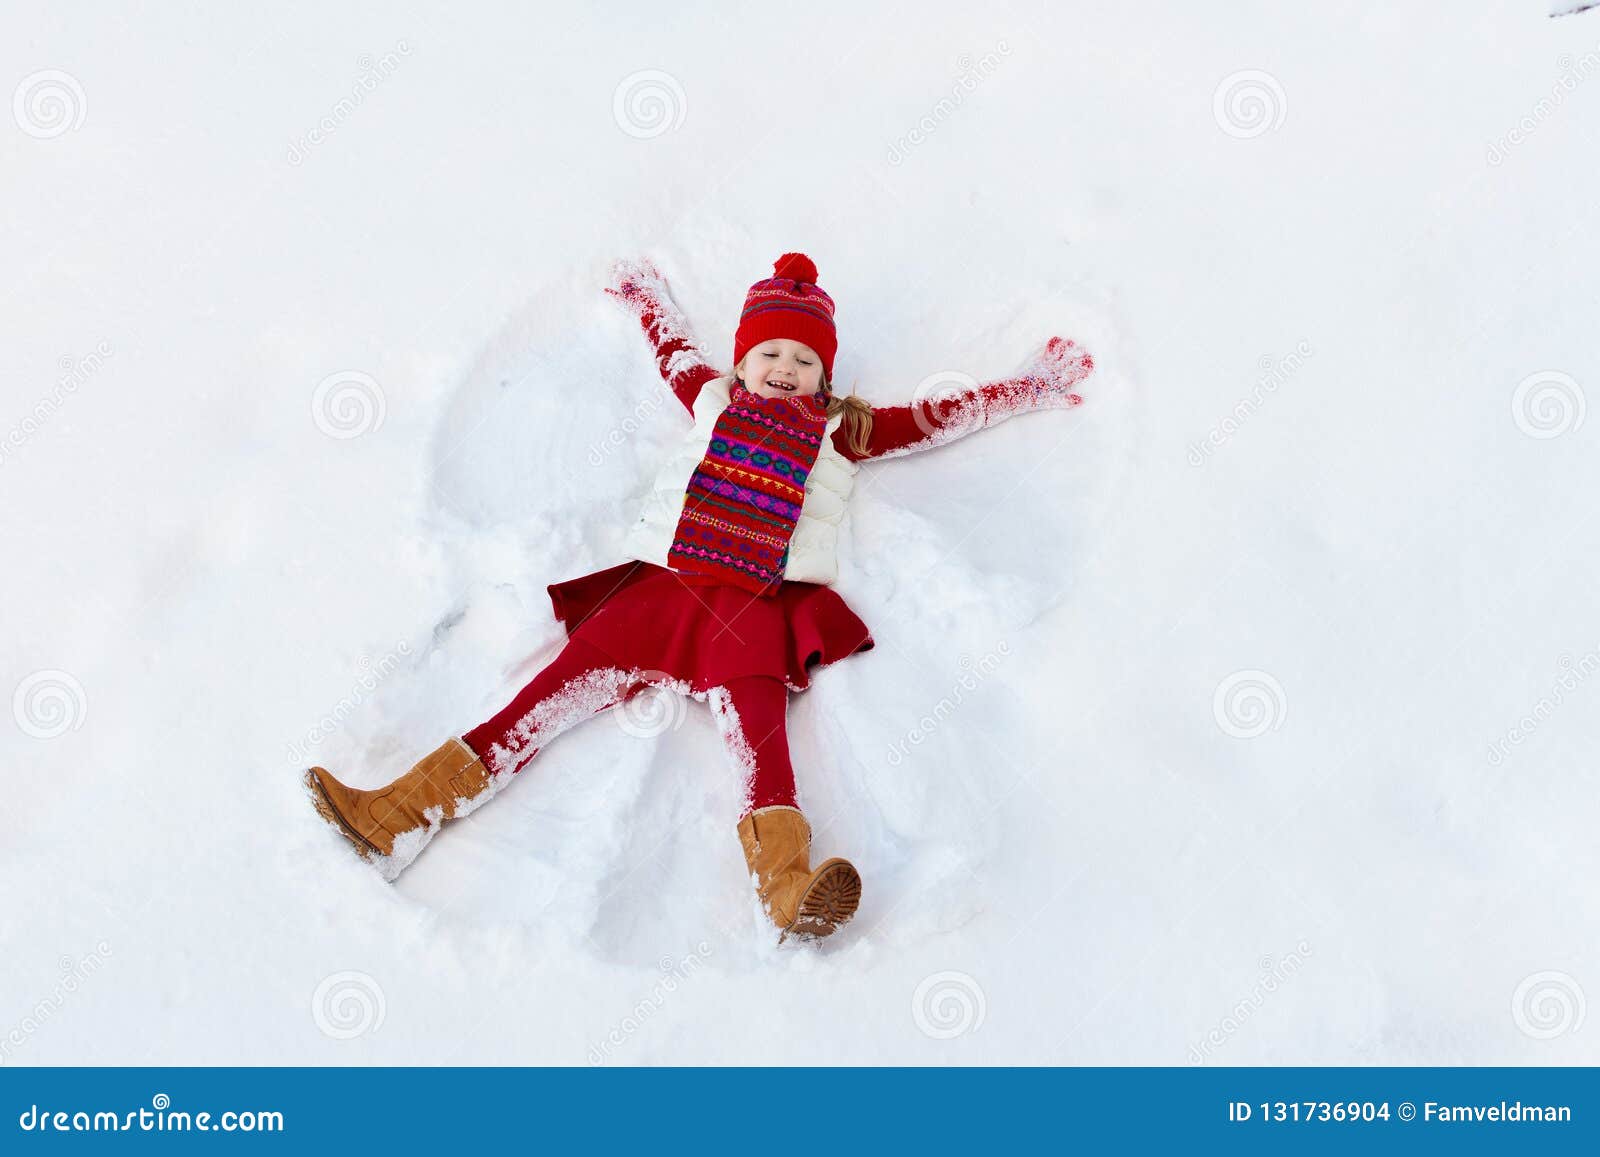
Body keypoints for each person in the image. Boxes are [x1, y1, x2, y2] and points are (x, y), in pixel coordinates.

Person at [305, 252, 1095, 941]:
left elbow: (933, 419)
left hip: (751, 611)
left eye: (804, 361)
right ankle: (396, 816)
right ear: (744, 361)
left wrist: (1027, 386)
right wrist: (647, 297)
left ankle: (787, 888)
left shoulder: (840, 431)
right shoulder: (714, 400)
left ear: (825, 376)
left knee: (763, 748)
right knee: (533, 705)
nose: (786, 369)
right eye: (770, 353)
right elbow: (672, 352)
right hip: (663, 592)